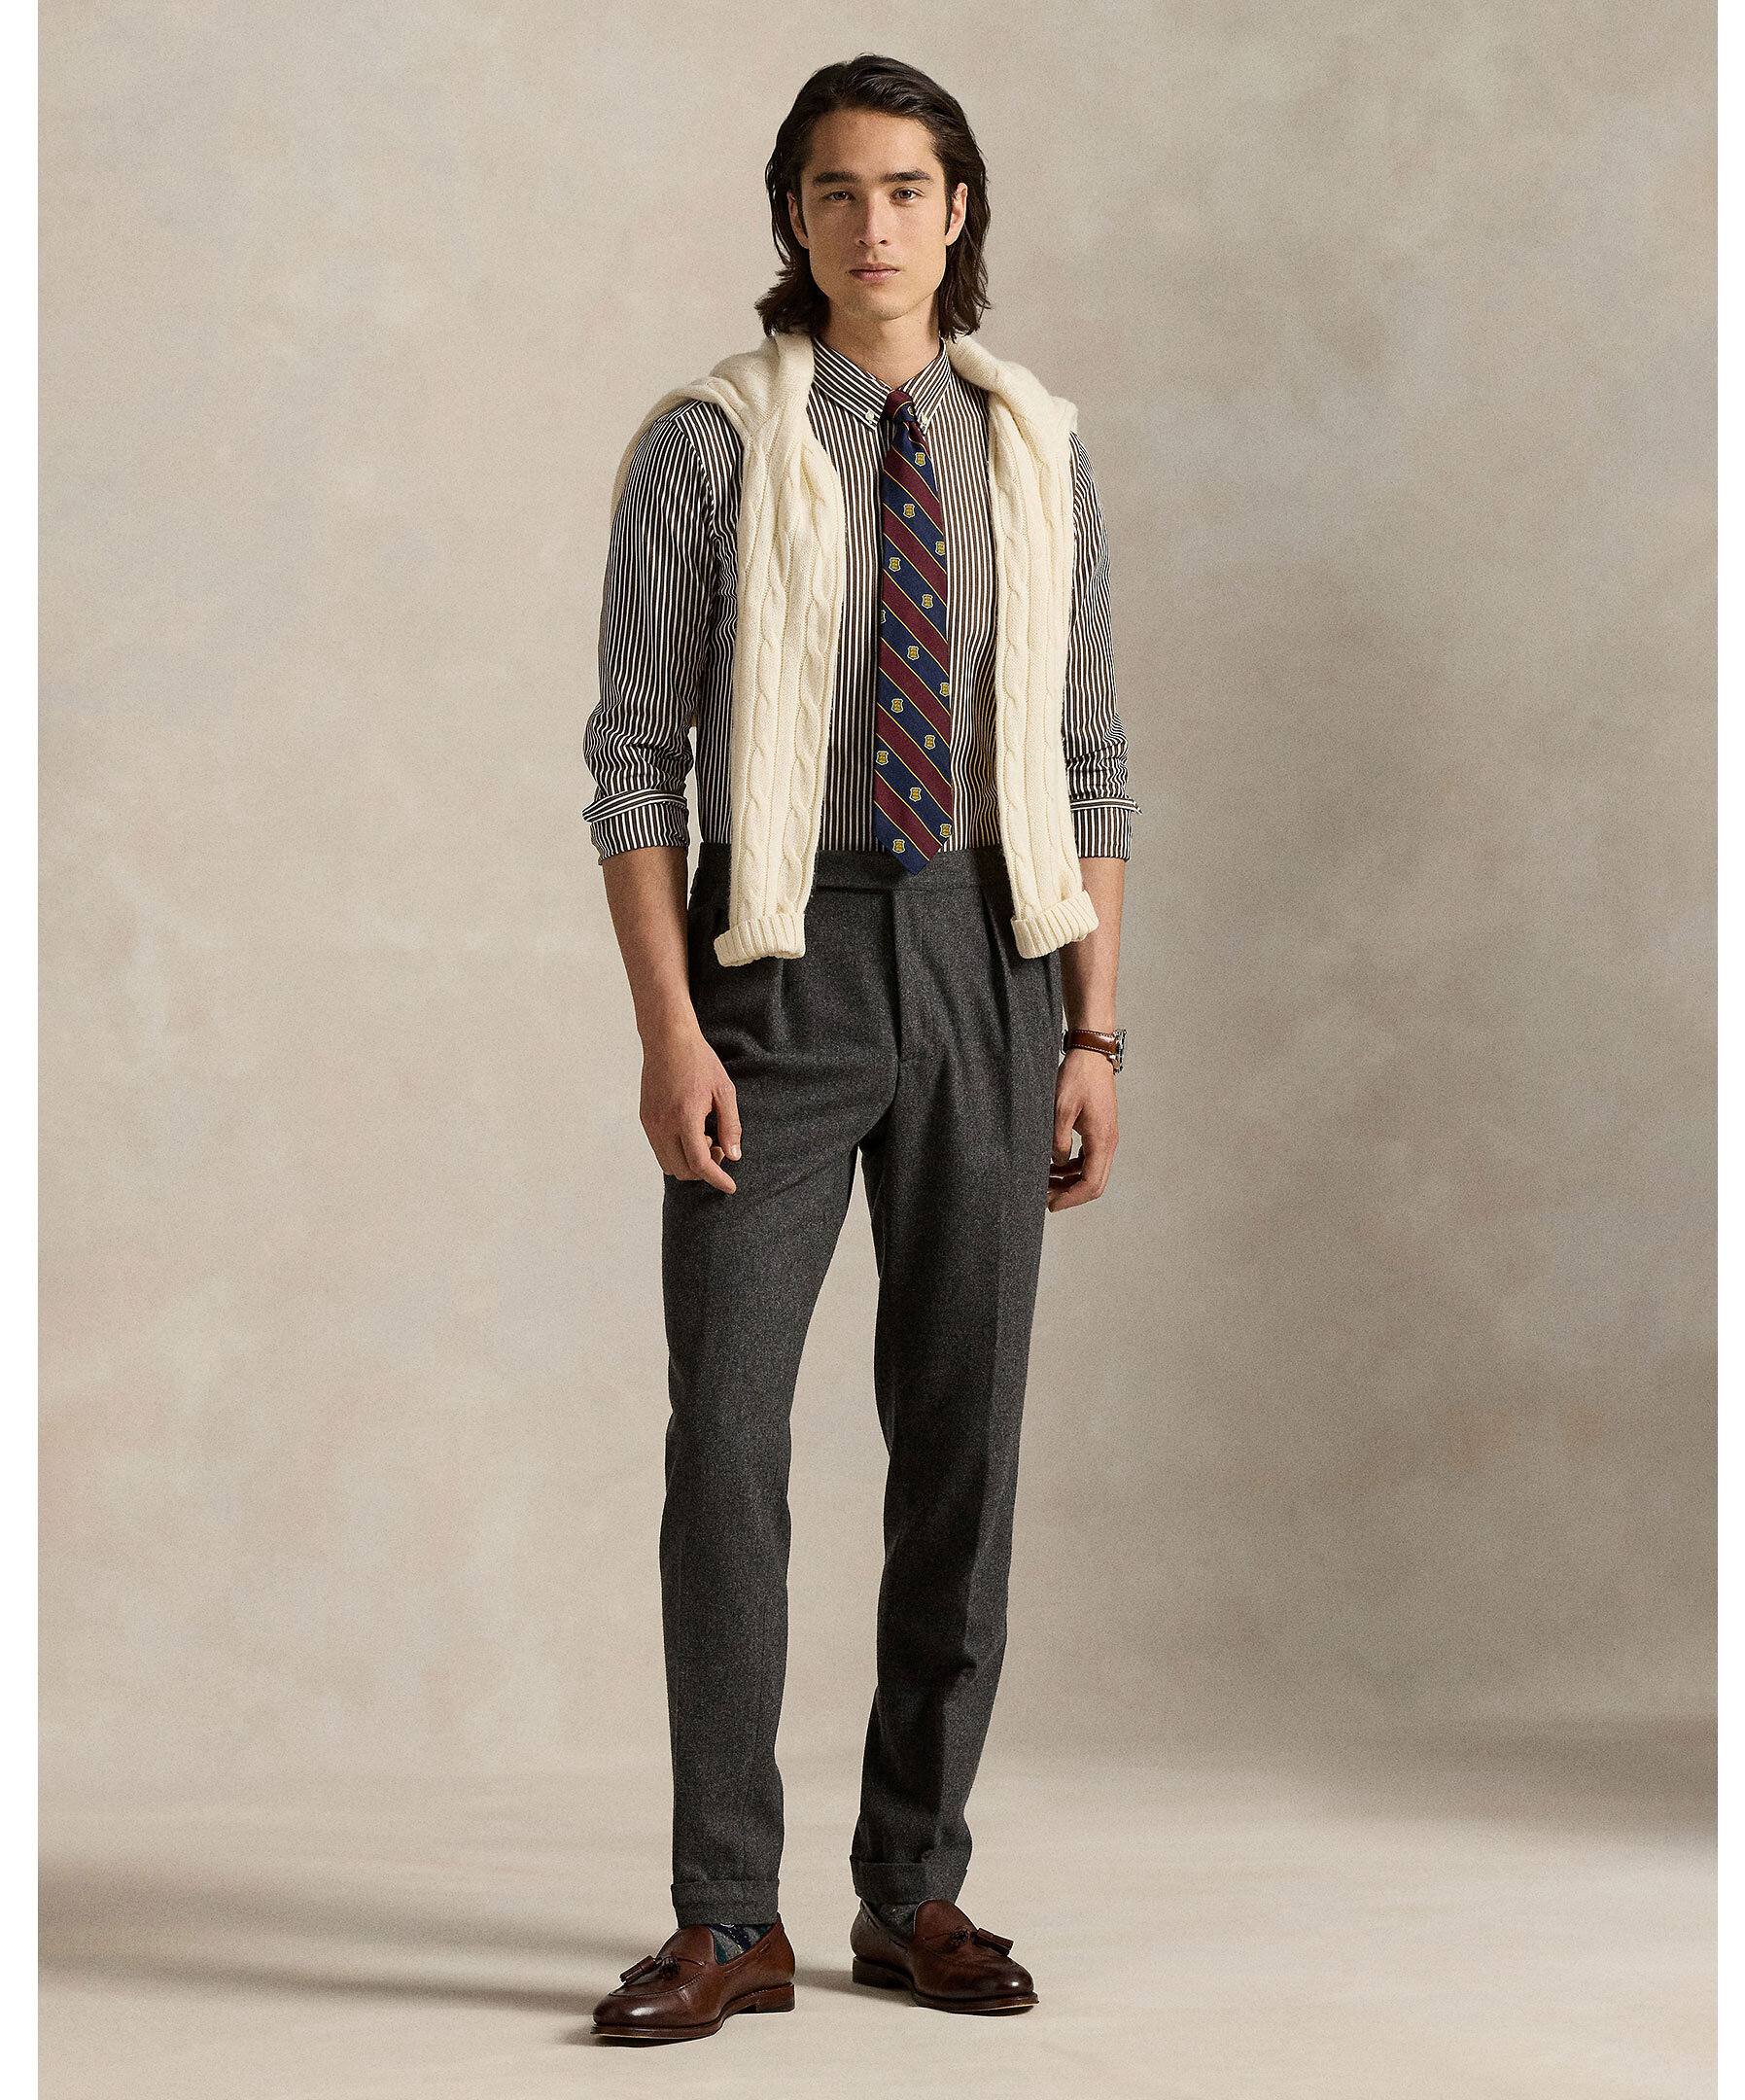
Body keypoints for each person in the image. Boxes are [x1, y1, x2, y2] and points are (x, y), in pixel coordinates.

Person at [581, 52, 1137, 2046]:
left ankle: (914, 1886)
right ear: (793, 220)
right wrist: (671, 1028)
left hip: (993, 955)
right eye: (835, 191)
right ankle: (726, 1912)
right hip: (778, 956)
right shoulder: (708, 448)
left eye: (906, 188)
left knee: (962, 1442)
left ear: (956, 211)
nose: (872, 222)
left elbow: (1087, 753)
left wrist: (1092, 1028)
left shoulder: (1032, 448)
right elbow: (633, 759)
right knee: (727, 1441)